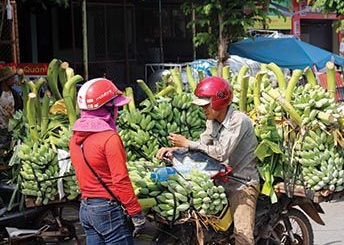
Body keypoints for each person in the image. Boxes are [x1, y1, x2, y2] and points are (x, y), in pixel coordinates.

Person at [156, 76, 260, 245]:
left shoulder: (238, 121)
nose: (203, 109)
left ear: (219, 102)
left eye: (206, 105)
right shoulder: (213, 122)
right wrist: (176, 150)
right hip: (218, 180)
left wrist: (187, 143)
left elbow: (220, 153)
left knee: (242, 235)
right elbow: (202, 147)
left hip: (241, 183)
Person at [69, 78, 145, 245]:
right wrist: (135, 213)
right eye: (116, 107)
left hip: (86, 209)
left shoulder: (75, 139)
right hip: (108, 210)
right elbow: (121, 180)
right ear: (107, 109)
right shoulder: (109, 138)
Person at [0, 66, 23, 162]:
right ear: (5, 80)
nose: (14, 80)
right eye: (12, 78)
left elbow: (20, 108)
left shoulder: (15, 94)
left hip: (12, 129)